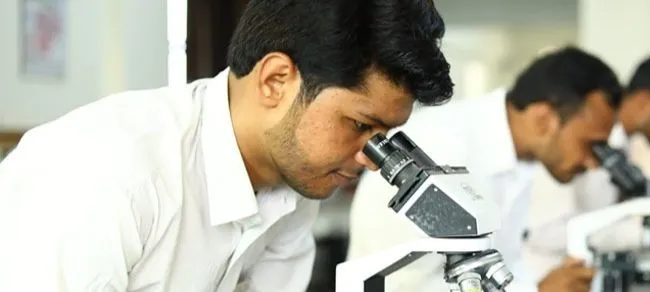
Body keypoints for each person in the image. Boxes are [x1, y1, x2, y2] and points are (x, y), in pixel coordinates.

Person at [0, 1, 453, 291]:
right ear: (276, 80)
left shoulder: (295, 181)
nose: (370, 159)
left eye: (382, 139)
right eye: (358, 123)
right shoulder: (104, 174)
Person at [347, 46, 623, 292]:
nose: (593, 163)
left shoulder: (520, 159)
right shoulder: (441, 144)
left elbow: (503, 261)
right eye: (591, 145)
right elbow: (405, 284)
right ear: (543, 120)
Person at [525, 50, 650, 280]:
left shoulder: (626, 144)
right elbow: (546, 229)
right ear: (644, 102)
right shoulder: (576, 140)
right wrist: (643, 236)